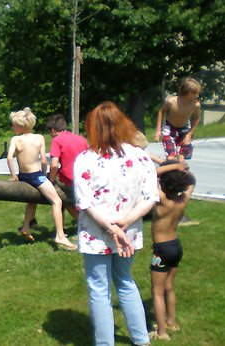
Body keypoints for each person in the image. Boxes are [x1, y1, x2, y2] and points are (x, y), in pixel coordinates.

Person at [73, 101, 158, 345]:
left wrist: (112, 228)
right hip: (128, 234)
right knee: (125, 281)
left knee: (99, 289)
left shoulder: (85, 159)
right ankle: (141, 340)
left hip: (96, 234)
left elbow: (84, 202)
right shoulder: (141, 157)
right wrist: (125, 224)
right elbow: (150, 198)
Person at [6, 108, 76, 250]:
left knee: (33, 200)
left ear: (21, 126)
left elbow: (9, 158)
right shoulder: (39, 138)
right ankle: (60, 236)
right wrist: (45, 176)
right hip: (35, 175)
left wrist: (13, 175)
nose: (12, 127)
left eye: (13, 124)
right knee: (57, 201)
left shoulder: (15, 139)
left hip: (23, 176)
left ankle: (26, 227)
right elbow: (44, 160)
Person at [17, 114, 89, 234]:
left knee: (55, 194)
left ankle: (82, 225)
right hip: (84, 178)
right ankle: (34, 221)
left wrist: (50, 180)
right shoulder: (81, 139)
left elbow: (54, 164)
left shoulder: (57, 140)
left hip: (68, 179)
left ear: (54, 130)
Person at [149, 160, 196, 341]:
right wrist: (184, 171)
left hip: (161, 251)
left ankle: (161, 332)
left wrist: (174, 167)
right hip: (176, 246)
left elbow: (151, 174)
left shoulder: (161, 199)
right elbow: (192, 180)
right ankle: (172, 321)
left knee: (157, 291)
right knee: (169, 287)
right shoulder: (182, 198)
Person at [154, 77, 202, 161]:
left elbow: (197, 118)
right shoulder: (171, 101)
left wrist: (190, 134)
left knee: (181, 158)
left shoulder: (195, 105)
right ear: (186, 92)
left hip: (184, 130)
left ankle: (178, 173)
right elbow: (161, 112)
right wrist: (158, 130)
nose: (197, 95)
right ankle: (167, 171)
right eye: (194, 93)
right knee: (171, 157)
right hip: (169, 129)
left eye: (197, 93)